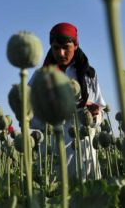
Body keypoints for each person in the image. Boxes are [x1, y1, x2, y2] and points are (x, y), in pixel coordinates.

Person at [30, 22, 106, 180]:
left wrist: (95, 115)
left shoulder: (88, 74)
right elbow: (29, 118)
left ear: (76, 45)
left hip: (85, 152)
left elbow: (100, 113)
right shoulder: (40, 77)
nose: (61, 53)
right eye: (56, 48)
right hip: (53, 154)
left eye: (66, 47)